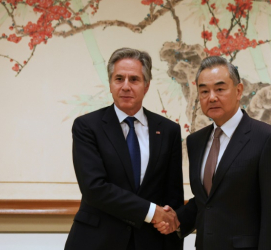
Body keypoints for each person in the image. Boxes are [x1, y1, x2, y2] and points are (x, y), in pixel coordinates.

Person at [155, 56, 271, 250]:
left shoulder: (268, 140)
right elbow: (208, 201)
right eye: (204, 91)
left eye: (220, 89)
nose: (211, 97)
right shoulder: (196, 141)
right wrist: (176, 220)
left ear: (238, 91)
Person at [65, 48, 184, 250]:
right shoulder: (87, 126)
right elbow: (94, 188)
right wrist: (151, 212)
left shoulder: (168, 130)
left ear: (146, 86)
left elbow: (172, 195)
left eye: (134, 79)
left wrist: (171, 228)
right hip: (97, 240)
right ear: (110, 84)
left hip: (151, 242)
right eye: (119, 79)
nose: (126, 86)